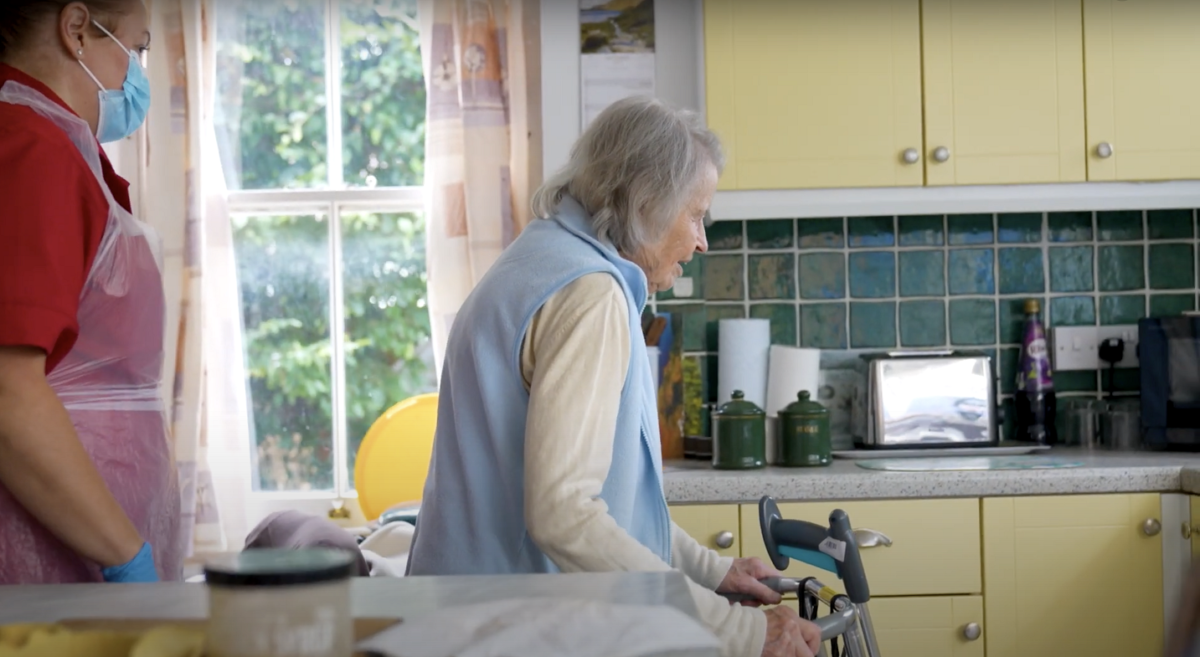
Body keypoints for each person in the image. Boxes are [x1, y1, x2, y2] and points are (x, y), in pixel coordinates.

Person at [407, 95, 823, 657]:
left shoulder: (537, 260)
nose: (702, 241)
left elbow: (612, 502)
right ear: (649, 203)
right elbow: (565, 515)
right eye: (696, 214)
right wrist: (738, 629)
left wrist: (713, 570)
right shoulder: (589, 296)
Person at [0, 0, 181, 584]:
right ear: (77, 28)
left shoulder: (59, 146)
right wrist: (126, 556)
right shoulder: (31, 149)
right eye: (139, 47)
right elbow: (6, 389)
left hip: (85, 542)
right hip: (60, 547)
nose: (137, 72)